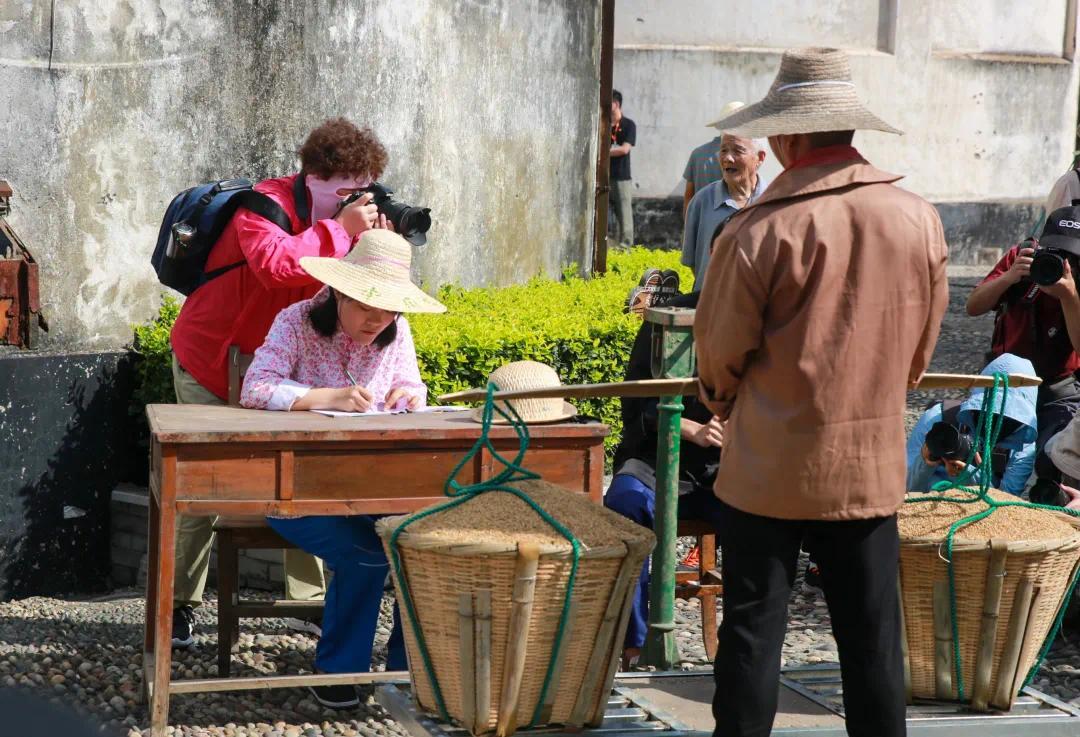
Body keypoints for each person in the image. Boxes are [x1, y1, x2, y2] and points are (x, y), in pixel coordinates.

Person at [695, 47, 948, 737]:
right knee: (872, 645)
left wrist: (724, 404)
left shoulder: (756, 231)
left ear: (788, 136)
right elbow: (918, 355)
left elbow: (718, 358)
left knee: (751, 641)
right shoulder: (916, 217)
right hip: (867, 464)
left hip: (767, 468)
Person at [168, 118, 391, 649]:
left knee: (300, 472)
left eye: (360, 189)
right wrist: (343, 228)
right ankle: (178, 604)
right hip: (212, 357)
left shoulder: (350, 220)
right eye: (341, 190)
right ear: (310, 176)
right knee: (203, 488)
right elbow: (274, 266)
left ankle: (307, 602)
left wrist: (379, 239)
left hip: (283, 364)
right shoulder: (263, 206)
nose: (351, 200)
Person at [241, 229, 446, 708]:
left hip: (379, 489)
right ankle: (339, 671)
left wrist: (408, 397)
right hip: (296, 489)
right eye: (366, 307)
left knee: (419, 544)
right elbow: (255, 388)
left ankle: (407, 670)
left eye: (389, 309)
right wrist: (324, 398)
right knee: (367, 553)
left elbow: (414, 388)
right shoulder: (295, 321)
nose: (378, 320)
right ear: (337, 292)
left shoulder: (395, 332)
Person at [603, 290, 725, 667]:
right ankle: (637, 644)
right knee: (624, 504)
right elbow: (636, 402)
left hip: (726, 466)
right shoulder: (664, 320)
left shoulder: (765, 319)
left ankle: (744, 646)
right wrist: (692, 429)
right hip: (654, 460)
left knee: (763, 516)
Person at [965, 206, 1080, 462]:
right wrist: (1009, 277)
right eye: (1057, 252)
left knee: (1055, 457)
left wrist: (1069, 297)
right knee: (987, 456)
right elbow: (973, 307)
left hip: (1057, 386)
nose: (1064, 263)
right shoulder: (1022, 257)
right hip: (1006, 380)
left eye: (1072, 256)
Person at [906, 354, 1037, 495]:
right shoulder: (937, 419)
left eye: (1006, 418)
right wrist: (926, 463)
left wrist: (970, 475)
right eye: (986, 412)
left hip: (980, 508)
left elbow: (1007, 501)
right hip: (926, 501)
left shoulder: (1022, 445)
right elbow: (903, 489)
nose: (992, 424)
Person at [681, 134, 768, 291]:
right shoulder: (701, 201)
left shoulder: (774, 202)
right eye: (723, 150)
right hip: (709, 305)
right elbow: (695, 263)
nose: (727, 158)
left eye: (738, 151)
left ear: (759, 158)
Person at [682, 101, 745, 218]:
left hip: (701, 220)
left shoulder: (697, 154)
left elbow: (688, 196)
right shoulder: (744, 157)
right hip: (731, 222)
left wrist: (689, 226)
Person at [609, 89, 637, 246]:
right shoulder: (603, 124)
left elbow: (625, 149)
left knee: (624, 214)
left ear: (616, 104)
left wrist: (603, 153)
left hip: (621, 177)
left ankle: (626, 246)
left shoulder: (628, 125)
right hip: (603, 176)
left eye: (608, 102)